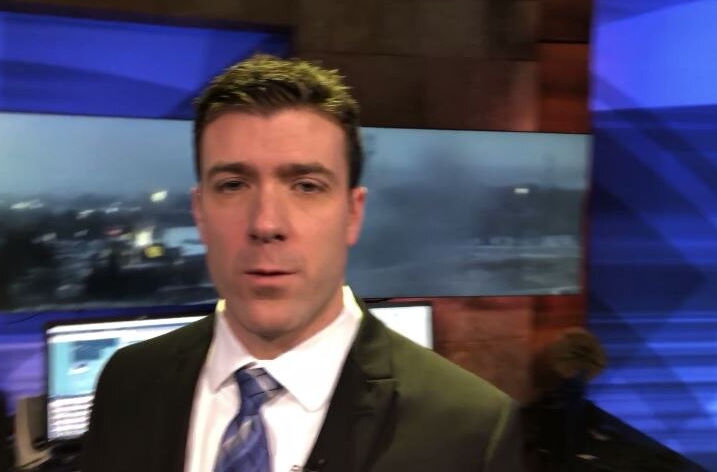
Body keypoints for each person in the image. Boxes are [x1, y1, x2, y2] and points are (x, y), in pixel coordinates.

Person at [82, 54, 524, 472]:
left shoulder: (469, 430)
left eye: (306, 186)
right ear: (200, 213)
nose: (266, 223)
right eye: (233, 185)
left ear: (352, 214)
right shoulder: (128, 383)